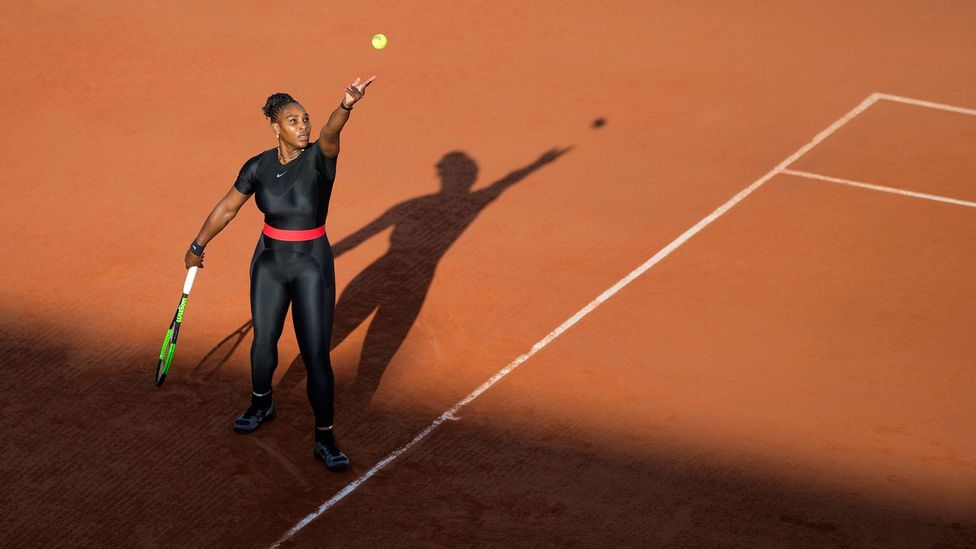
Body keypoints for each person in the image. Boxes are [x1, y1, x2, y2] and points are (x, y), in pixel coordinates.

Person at [184, 75, 376, 471]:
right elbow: (227, 207)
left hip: (311, 264)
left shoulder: (320, 158)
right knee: (264, 341)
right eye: (293, 120)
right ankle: (260, 403)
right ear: (275, 127)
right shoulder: (258, 166)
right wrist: (198, 245)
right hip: (269, 260)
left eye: (304, 118)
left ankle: (324, 437)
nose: (303, 125)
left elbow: (330, 132)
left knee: (316, 355)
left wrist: (346, 105)